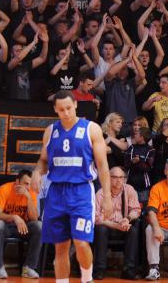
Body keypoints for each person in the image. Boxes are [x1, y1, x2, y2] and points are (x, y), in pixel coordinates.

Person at [31, 90, 112, 283]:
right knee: (60, 247)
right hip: (57, 191)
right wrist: (36, 172)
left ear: (75, 105)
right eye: (61, 110)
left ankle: (87, 278)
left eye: (68, 108)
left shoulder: (91, 129)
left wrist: (107, 196)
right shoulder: (50, 131)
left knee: (82, 242)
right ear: (55, 110)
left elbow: (102, 165)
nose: (66, 113)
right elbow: (43, 161)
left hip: (81, 191)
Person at [0, 170, 42, 278]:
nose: (28, 187)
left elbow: (34, 218)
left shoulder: (31, 192)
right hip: (6, 227)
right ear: (17, 182)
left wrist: (28, 198)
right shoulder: (5, 189)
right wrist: (13, 217)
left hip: (23, 228)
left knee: (39, 226)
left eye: (30, 184)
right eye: (26, 183)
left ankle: (29, 268)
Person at [92, 165, 142, 280]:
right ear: (108, 178)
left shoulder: (129, 190)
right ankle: (99, 270)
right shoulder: (101, 193)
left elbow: (136, 209)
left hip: (123, 224)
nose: (119, 180)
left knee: (133, 231)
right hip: (107, 225)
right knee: (100, 229)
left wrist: (127, 219)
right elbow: (96, 217)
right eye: (115, 177)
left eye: (122, 177)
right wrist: (115, 225)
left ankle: (128, 270)